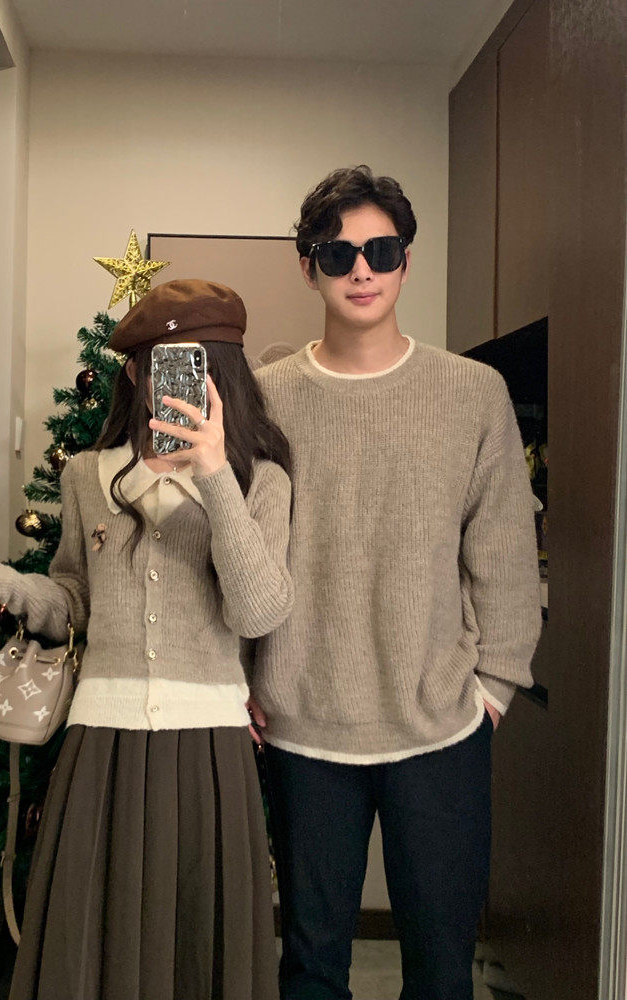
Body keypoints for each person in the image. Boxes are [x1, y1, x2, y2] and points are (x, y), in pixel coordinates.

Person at [0, 278, 293, 1000]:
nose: (167, 383)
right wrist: (2, 583)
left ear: (222, 375)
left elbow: (258, 612)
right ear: (132, 373)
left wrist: (214, 475)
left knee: (198, 940)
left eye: (190, 367)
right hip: (103, 735)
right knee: (95, 938)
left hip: (210, 743)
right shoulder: (86, 476)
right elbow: (74, 600)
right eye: (154, 366)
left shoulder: (260, 479)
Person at [248, 167, 542, 1000]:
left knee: (441, 973)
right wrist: (240, 676)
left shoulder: (472, 393)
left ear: (405, 262)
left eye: (380, 251)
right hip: (302, 728)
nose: (361, 270)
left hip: (441, 728)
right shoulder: (265, 400)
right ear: (307, 267)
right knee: (310, 968)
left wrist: (493, 687)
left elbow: (502, 551)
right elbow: (238, 550)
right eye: (337, 254)